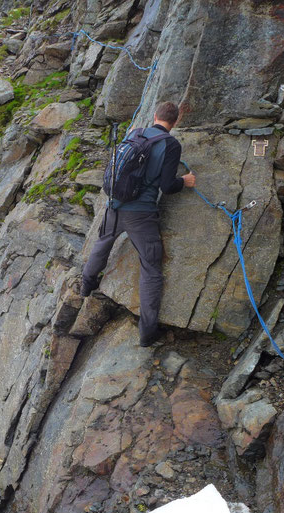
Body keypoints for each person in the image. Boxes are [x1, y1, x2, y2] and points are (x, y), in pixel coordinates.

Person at [80, 101, 195, 347]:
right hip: (141, 214)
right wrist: (184, 181)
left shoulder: (135, 133)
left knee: (103, 243)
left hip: (115, 204)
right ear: (176, 121)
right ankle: (147, 334)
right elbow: (166, 186)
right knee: (151, 268)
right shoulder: (171, 145)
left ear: (155, 116)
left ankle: (85, 287)